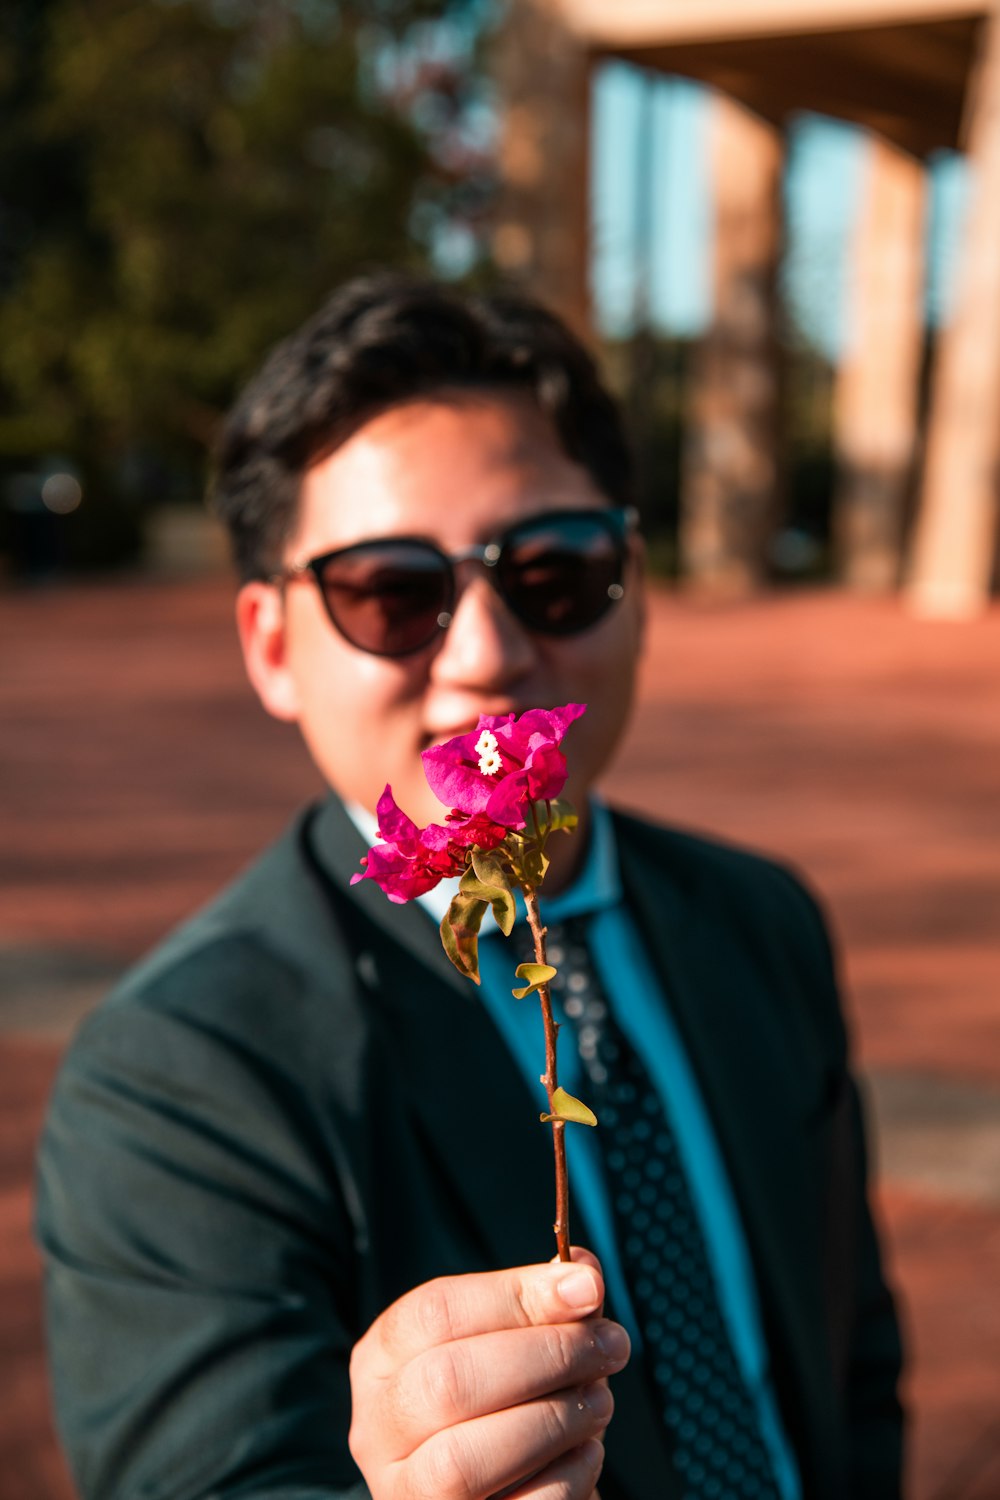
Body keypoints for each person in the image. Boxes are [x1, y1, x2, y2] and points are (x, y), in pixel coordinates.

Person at [36, 273, 904, 1500]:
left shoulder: (760, 921)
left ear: (634, 584)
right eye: (392, 591)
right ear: (272, 645)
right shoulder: (178, 1078)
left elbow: (848, 1360)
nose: (489, 653)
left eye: (552, 568)